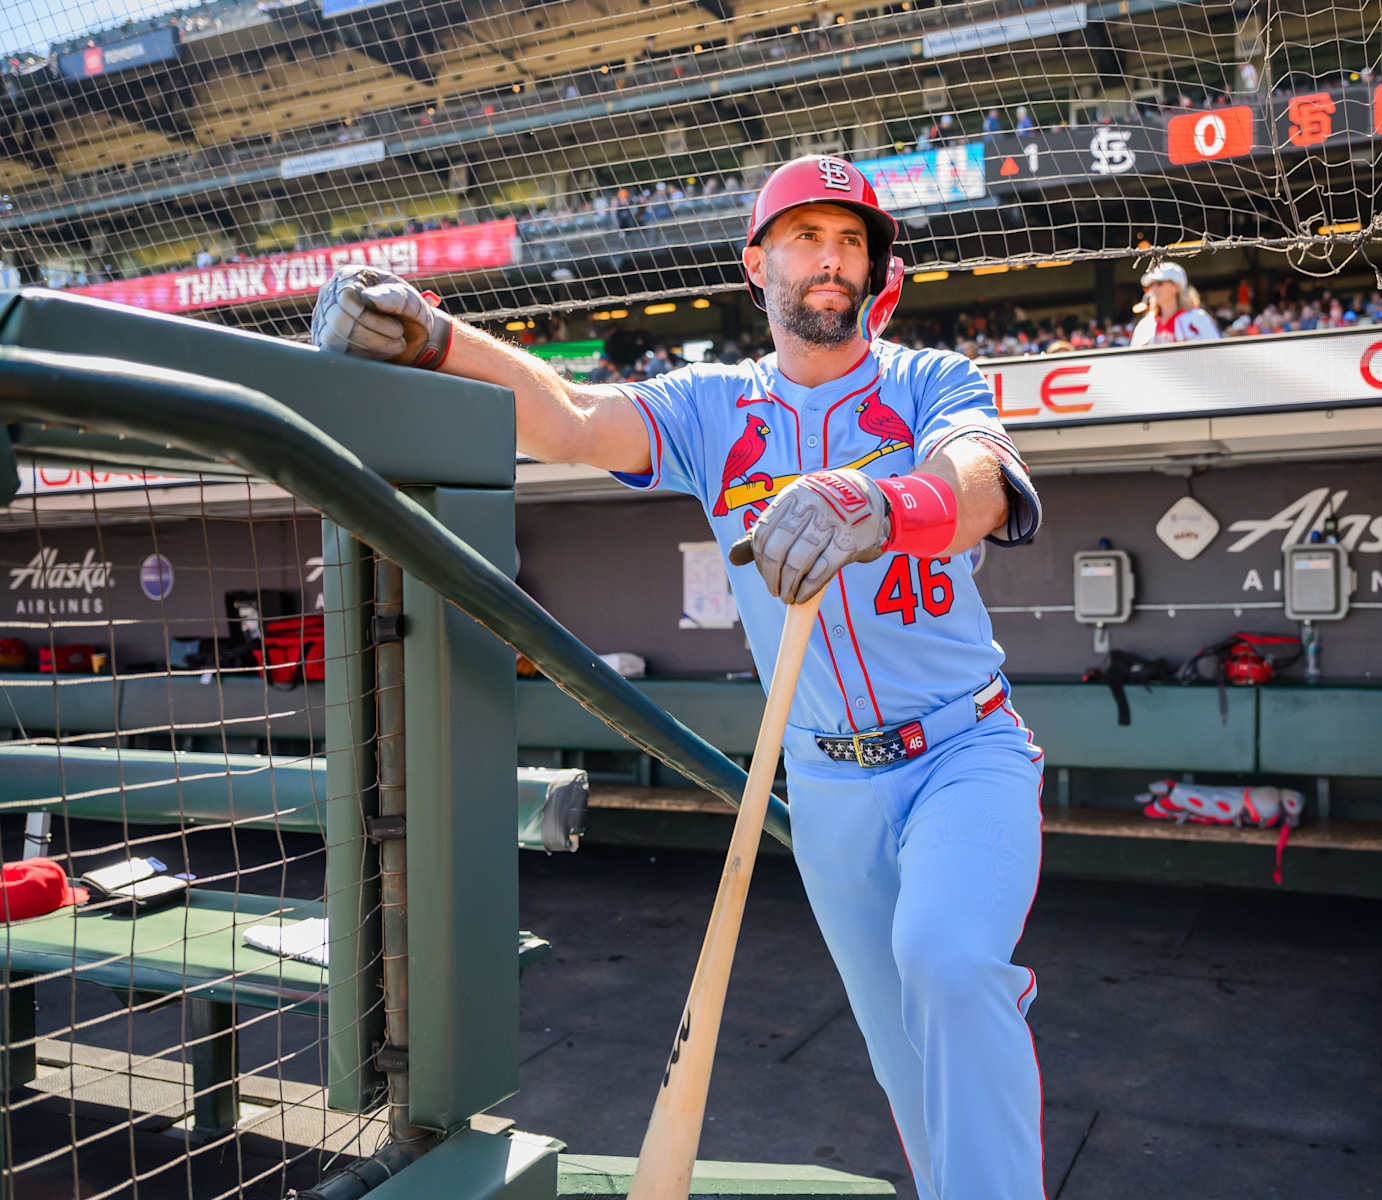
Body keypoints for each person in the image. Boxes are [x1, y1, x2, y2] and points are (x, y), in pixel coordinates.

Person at [309, 154, 1048, 1200]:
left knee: (949, 962)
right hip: (829, 781)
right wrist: (435, 337)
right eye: (806, 237)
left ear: (876, 271)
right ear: (758, 264)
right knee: (904, 1056)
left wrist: (877, 507)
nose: (831, 260)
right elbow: (567, 416)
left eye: (851, 242)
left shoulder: (931, 382)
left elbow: (978, 486)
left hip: (963, 748)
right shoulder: (712, 410)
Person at [1131, 261, 1221, 345]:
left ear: (1176, 287)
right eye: (1151, 285)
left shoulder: (1198, 318)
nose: (1153, 289)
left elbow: (1215, 353)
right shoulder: (1145, 324)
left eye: (1159, 283)